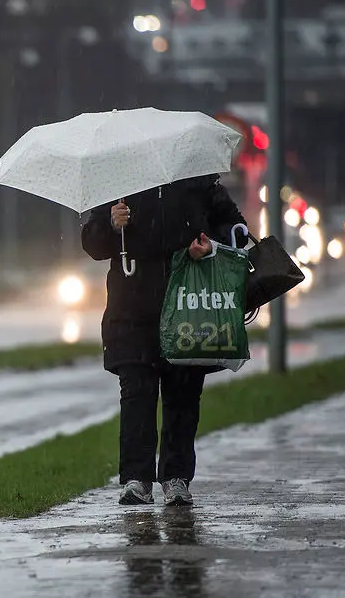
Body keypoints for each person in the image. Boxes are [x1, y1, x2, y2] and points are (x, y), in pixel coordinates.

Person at [81, 174, 247, 506]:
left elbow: (236, 231)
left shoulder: (198, 182)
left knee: (183, 397)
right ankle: (135, 480)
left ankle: (176, 478)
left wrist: (210, 243)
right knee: (136, 398)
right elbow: (92, 243)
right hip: (132, 312)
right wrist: (113, 226)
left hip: (189, 308)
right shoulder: (116, 185)